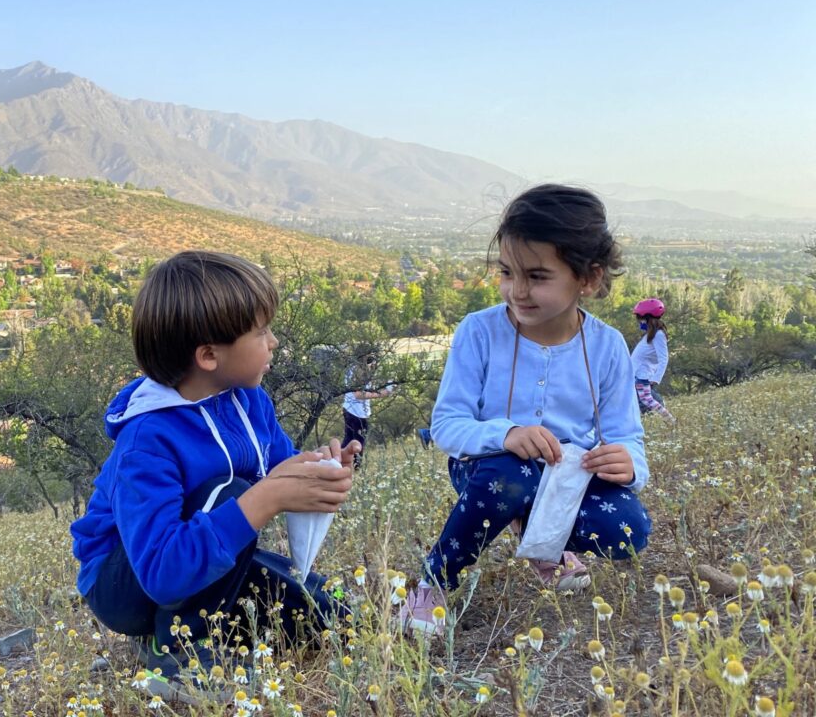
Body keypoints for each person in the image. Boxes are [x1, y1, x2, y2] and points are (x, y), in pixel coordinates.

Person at [70, 251, 357, 695]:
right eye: (261, 332)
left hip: (203, 567)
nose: (274, 342)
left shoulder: (248, 400)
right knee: (231, 492)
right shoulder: (148, 439)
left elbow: (278, 466)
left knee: (330, 619)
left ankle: (202, 625)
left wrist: (320, 468)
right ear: (208, 355)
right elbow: (162, 571)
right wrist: (266, 498)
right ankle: (175, 656)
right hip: (126, 584)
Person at [402, 185, 652, 635]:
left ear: (589, 278)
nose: (517, 290)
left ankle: (545, 542)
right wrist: (505, 435)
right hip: (486, 470)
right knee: (508, 478)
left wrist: (628, 463)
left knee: (629, 531)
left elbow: (626, 435)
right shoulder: (479, 332)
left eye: (537, 276)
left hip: (567, 480)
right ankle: (432, 583)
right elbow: (447, 424)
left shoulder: (609, 347)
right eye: (506, 272)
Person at [341, 355, 394, 469]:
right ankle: (355, 467)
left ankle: (341, 464)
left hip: (352, 410)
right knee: (358, 442)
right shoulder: (357, 371)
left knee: (349, 440)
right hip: (356, 413)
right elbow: (358, 394)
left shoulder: (355, 369)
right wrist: (381, 394)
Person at [631, 298, 675, 423]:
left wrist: (656, 378)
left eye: (640, 318)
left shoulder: (658, 335)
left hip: (643, 376)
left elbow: (664, 358)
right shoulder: (650, 335)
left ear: (648, 318)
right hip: (635, 375)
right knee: (642, 401)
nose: (639, 322)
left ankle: (670, 421)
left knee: (647, 401)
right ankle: (666, 421)